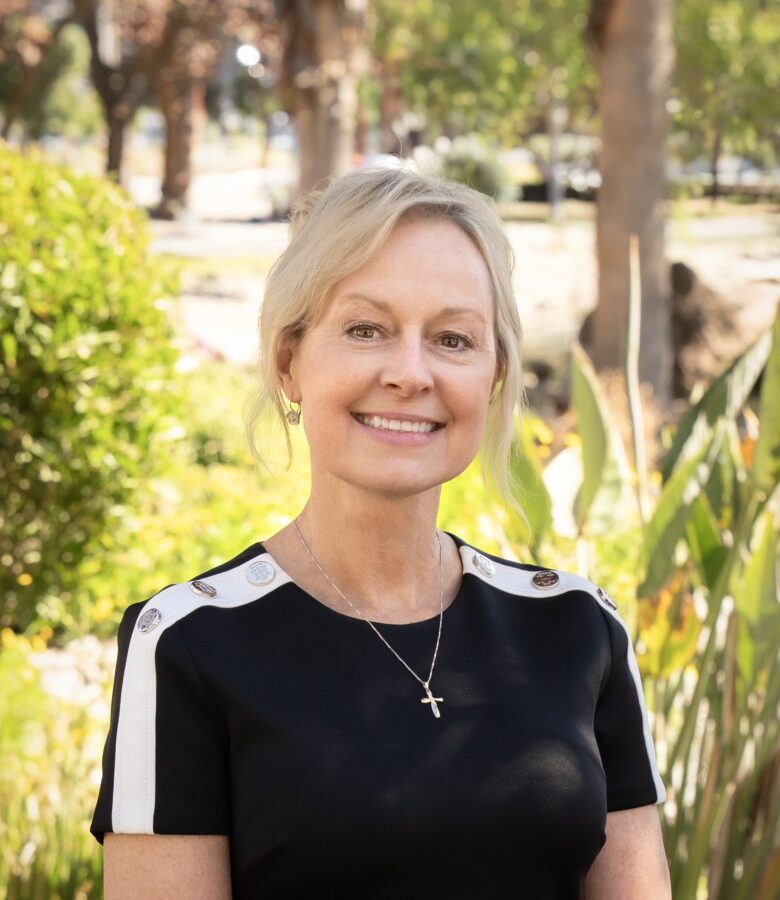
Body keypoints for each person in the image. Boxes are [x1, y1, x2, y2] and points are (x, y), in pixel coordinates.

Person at [90, 167, 671, 899]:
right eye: (365, 330)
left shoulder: (580, 627)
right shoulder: (187, 643)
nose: (410, 373)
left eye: (453, 339)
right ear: (289, 362)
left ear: (494, 378)